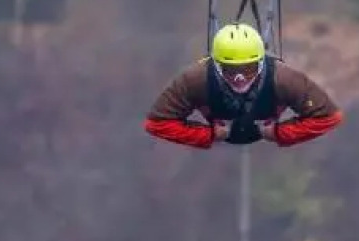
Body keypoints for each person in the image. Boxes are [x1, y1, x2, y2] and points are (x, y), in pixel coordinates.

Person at [144, 22, 343, 150]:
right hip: (222, 127)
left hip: (265, 124)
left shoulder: (285, 80)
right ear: (217, 65)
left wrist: (280, 133)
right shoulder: (195, 80)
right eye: (231, 70)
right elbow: (157, 123)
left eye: (248, 69)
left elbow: (328, 117)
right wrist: (206, 134)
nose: (239, 78)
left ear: (261, 63)